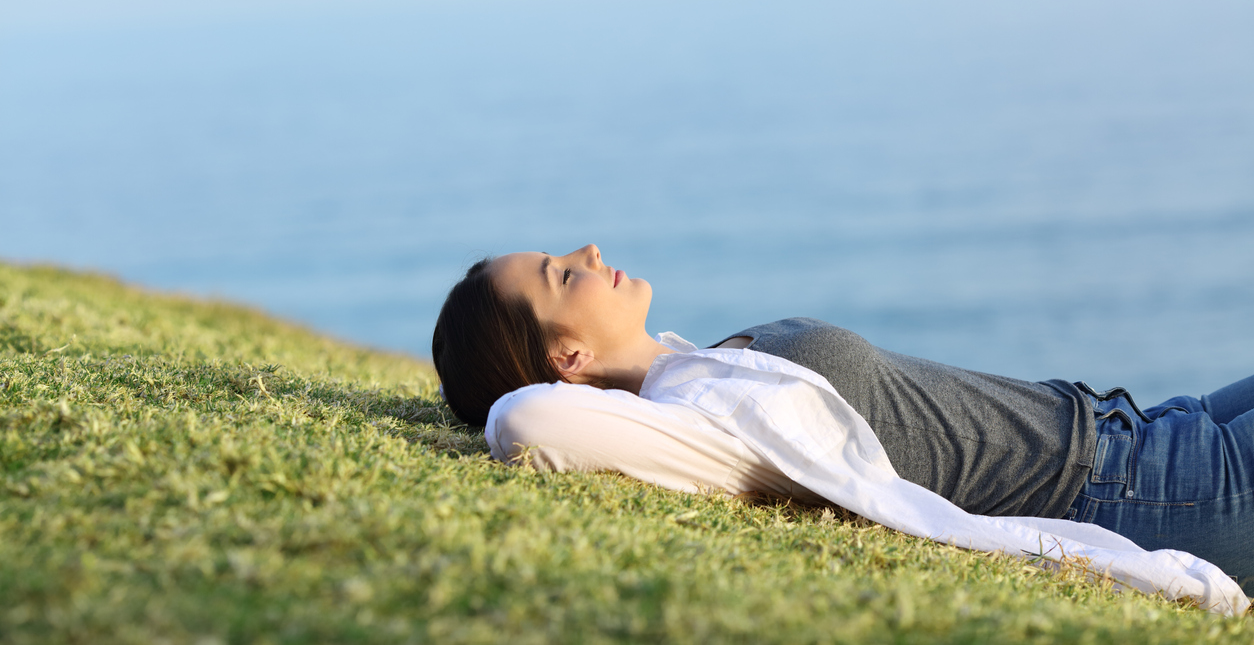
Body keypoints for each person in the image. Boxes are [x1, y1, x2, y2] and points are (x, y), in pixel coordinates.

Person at [432, 244, 1253, 613]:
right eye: (561, 274)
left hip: (1148, 425)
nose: (589, 249)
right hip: (1155, 494)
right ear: (568, 356)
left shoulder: (699, 366)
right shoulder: (695, 426)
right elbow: (523, 418)